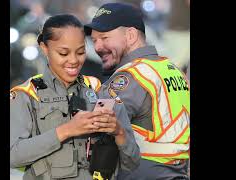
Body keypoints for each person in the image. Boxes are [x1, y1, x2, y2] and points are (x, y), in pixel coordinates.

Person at [10, 14, 140, 180]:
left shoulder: (100, 91)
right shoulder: (26, 95)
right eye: (63, 53)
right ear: (44, 48)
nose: (73, 61)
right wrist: (66, 130)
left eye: (80, 52)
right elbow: (13, 156)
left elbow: (132, 163)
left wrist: (119, 132)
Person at [84, 3, 190, 180]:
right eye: (94, 40)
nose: (98, 47)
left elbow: (97, 127)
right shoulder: (170, 68)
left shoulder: (131, 76)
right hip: (177, 171)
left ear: (131, 35)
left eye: (105, 38)